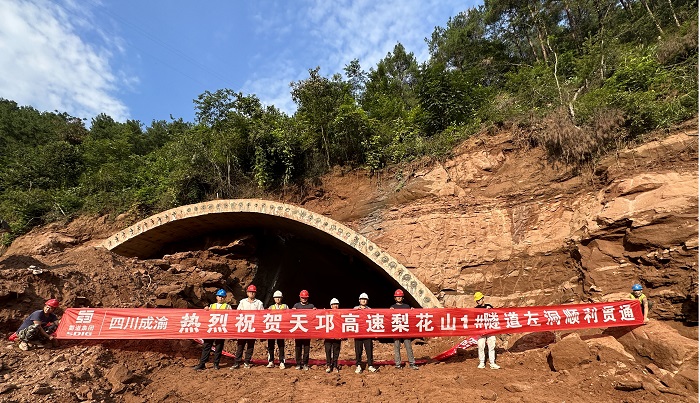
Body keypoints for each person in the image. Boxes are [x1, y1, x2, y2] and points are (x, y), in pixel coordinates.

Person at [194, 289, 232, 370]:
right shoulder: (211, 306)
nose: (221, 298)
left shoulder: (228, 307)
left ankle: (216, 364)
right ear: (216, 297)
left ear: (225, 298)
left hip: (221, 329)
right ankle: (202, 363)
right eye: (219, 296)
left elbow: (231, 317)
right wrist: (206, 310)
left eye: (222, 297)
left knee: (219, 347)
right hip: (211, 329)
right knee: (207, 346)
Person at [232, 285, 264, 369]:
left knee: (250, 345)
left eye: (253, 292)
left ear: (255, 293)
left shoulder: (259, 303)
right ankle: (237, 362)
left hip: (253, 327)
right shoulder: (243, 302)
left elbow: (262, 315)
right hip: (243, 327)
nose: (251, 293)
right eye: (250, 292)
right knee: (240, 345)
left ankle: (247, 361)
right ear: (247, 293)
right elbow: (238, 313)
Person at [390, 289, 419, 370]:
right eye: (397, 297)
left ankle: (412, 363)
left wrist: (412, 311)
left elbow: (411, 317)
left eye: (400, 296)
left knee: (408, 347)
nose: (399, 298)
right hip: (396, 330)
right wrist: (390, 311)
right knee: (397, 347)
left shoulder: (407, 306)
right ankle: (398, 364)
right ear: (395, 298)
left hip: (405, 329)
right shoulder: (393, 307)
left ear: (402, 297)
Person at [474, 292, 500, 369]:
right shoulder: (475, 309)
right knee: (481, 346)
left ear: (482, 299)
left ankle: (492, 362)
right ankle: (482, 362)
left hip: (490, 330)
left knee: (492, 346)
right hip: (481, 331)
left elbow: (495, 315)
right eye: (477, 300)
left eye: (479, 300)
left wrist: (490, 310)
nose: (478, 301)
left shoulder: (489, 307)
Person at [354, 293, 378, 373]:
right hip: (358, 333)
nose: (363, 301)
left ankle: (370, 365)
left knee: (369, 350)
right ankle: (358, 365)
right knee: (358, 350)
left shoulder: (370, 310)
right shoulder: (355, 309)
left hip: (367, 333)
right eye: (362, 299)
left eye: (365, 299)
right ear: (359, 300)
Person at [292, 289, 316, 370]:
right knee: (298, 348)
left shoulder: (311, 306)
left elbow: (315, 317)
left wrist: (315, 311)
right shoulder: (296, 306)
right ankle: (298, 364)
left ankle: (305, 363)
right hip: (298, 330)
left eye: (305, 298)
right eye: (302, 298)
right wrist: (292, 311)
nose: (304, 299)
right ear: (300, 298)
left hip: (307, 331)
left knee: (306, 348)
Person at [267, 290, 288, 369]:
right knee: (270, 346)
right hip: (272, 329)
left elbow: (289, 315)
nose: (278, 299)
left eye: (279, 297)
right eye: (276, 298)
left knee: (281, 346)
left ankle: (282, 361)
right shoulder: (271, 307)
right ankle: (271, 361)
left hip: (281, 330)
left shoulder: (285, 307)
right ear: (274, 299)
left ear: (281, 298)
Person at [324, 298, 342, 373]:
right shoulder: (327, 313)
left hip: (337, 336)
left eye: (336, 304)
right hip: (328, 336)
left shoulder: (341, 314)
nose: (335, 306)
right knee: (328, 351)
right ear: (331, 306)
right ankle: (328, 365)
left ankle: (335, 366)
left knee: (336, 351)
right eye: (334, 304)